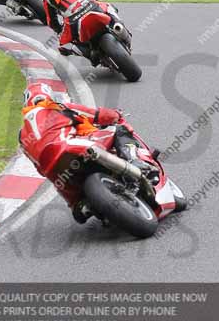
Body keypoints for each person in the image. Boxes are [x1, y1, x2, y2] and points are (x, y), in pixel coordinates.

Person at [20, 82, 160, 223]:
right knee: (118, 130)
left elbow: (37, 166)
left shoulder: (22, 135)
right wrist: (116, 114)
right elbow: (98, 115)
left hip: (53, 170)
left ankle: (82, 206)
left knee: (75, 205)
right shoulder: (58, 107)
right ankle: (134, 160)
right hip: (70, 147)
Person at [41, 0, 107, 64]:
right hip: (91, 6)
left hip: (73, 21)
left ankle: (91, 55)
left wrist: (58, 30)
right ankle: (119, 28)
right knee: (110, 8)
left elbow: (51, 21)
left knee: (64, 45)